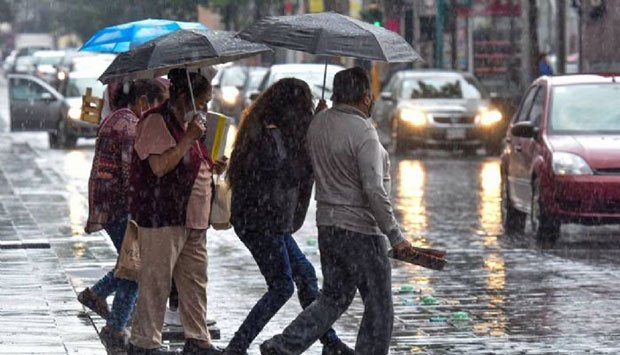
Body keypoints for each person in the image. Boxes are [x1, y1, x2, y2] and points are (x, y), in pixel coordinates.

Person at [260, 67, 415, 355]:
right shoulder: (364, 132)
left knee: (333, 297)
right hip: (361, 231)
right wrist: (395, 235)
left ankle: (284, 345)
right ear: (366, 97)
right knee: (379, 306)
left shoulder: (318, 124)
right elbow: (373, 189)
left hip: (328, 227)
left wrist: (319, 117)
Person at [223, 78, 353, 355]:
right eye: (304, 105)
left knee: (305, 275)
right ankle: (237, 346)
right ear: (290, 107)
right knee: (281, 286)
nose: (306, 110)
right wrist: (311, 132)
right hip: (258, 222)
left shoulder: (278, 131)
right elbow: (289, 174)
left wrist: (315, 125)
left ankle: (330, 343)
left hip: (271, 223)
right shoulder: (266, 136)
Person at [127, 67, 225, 355]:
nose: (205, 106)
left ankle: (197, 340)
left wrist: (211, 164)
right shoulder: (156, 122)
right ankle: (144, 343)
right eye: (202, 100)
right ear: (185, 95)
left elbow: (190, 160)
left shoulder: (188, 123)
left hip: (193, 219)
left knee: (194, 282)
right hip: (163, 215)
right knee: (156, 282)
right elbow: (159, 166)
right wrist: (188, 139)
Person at [78, 79, 169, 350]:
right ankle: (114, 323)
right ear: (142, 101)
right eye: (153, 105)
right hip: (120, 205)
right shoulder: (129, 124)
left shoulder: (115, 117)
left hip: (109, 202)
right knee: (136, 266)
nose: (153, 112)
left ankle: (101, 302)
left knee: (132, 262)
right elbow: (132, 172)